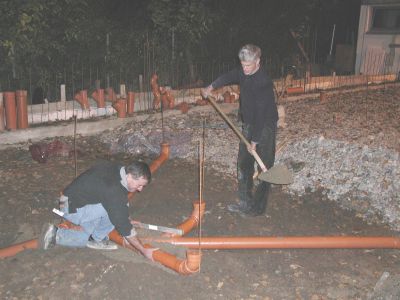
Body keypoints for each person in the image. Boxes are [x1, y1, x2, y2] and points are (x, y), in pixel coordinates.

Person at [202, 44, 278, 217]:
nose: (244, 69)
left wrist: (255, 141)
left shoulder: (263, 83)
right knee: (243, 163)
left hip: (264, 125)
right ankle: (245, 201)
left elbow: (261, 114)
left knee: (264, 166)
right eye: (242, 65)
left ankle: (257, 208)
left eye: (248, 66)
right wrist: (211, 87)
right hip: (250, 122)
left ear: (257, 62)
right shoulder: (243, 71)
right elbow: (230, 76)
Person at [39, 160, 157, 261]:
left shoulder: (118, 170)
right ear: (130, 176)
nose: (140, 189)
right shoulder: (113, 190)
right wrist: (143, 250)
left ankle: (93, 237)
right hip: (70, 207)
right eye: (140, 185)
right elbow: (123, 223)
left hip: (68, 198)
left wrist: (127, 218)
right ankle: (57, 234)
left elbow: (120, 201)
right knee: (83, 238)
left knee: (117, 208)